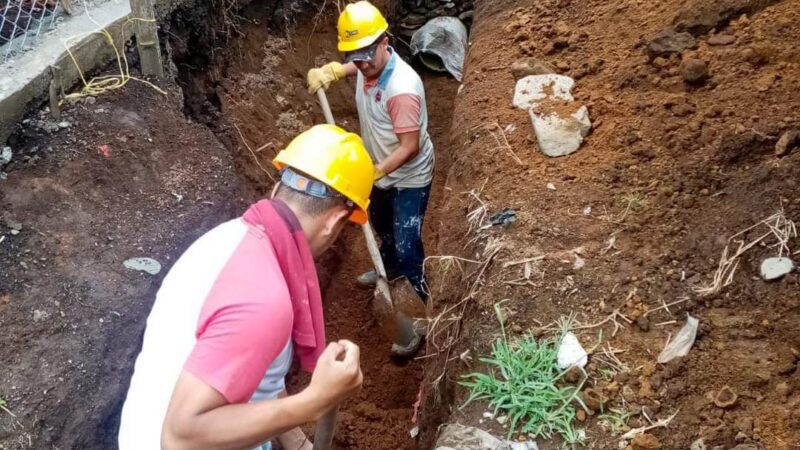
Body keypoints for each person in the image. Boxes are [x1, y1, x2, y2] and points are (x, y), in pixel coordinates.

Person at [117, 124, 374, 450]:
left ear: (276, 191)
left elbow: (259, 369)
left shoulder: (229, 239)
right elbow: (181, 437)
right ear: (335, 221)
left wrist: (296, 444)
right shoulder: (264, 299)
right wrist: (315, 400)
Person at [307, 0, 434, 301]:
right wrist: (336, 71)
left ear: (384, 44)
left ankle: (418, 294)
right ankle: (389, 270)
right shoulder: (370, 61)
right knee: (381, 225)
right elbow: (360, 62)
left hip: (408, 175)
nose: (362, 65)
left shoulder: (401, 90)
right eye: (355, 57)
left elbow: (409, 147)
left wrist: (374, 172)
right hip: (379, 168)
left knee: (406, 244)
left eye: (365, 57)